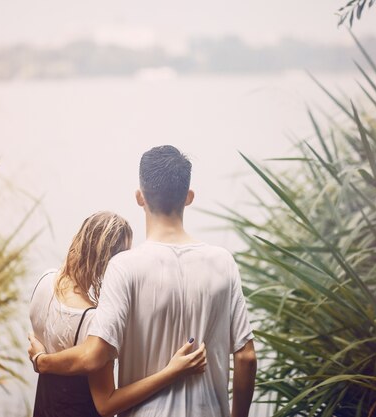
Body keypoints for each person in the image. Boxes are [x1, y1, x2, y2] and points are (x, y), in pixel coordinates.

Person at [29, 146, 257, 417]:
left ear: (140, 197)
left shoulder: (123, 268)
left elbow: (93, 356)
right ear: (189, 197)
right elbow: (246, 357)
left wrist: (42, 361)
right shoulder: (223, 262)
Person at [28, 211, 208, 417]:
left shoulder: (44, 281)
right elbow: (106, 405)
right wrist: (172, 372)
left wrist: (41, 360)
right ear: (112, 261)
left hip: (43, 407)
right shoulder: (94, 321)